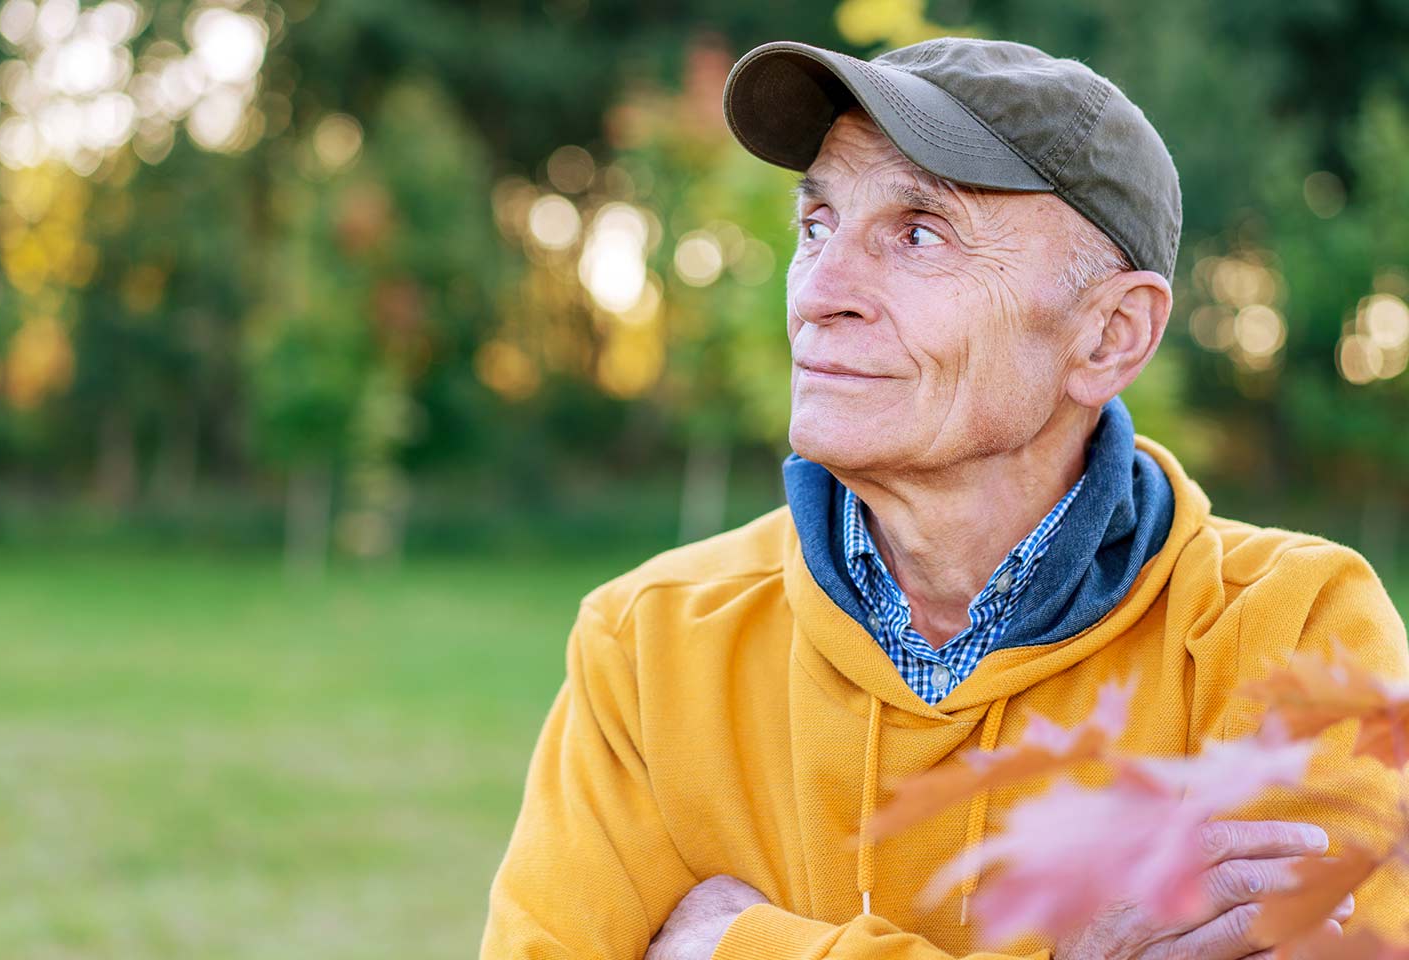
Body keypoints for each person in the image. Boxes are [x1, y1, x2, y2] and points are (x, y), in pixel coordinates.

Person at [480, 37, 1409, 960]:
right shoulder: (649, 645)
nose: (819, 292)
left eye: (919, 233)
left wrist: (739, 945)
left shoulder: (1295, 638)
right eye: (816, 226)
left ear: (1110, 336)